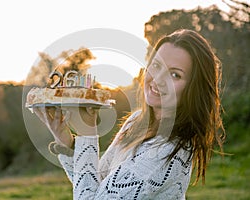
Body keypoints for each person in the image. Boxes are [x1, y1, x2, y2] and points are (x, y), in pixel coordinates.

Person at [33, 29, 225, 199]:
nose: (157, 79)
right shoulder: (137, 121)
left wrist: (87, 132)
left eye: (175, 74)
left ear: (193, 88)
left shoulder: (166, 151)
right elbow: (96, 186)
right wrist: (66, 141)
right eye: (157, 66)